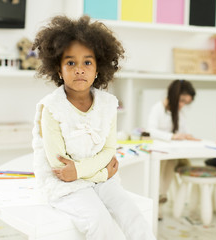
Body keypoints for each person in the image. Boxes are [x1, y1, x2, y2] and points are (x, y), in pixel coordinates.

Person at [31, 15, 155, 240]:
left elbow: (108, 150)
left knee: (132, 215)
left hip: (101, 178)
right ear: (58, 70)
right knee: (99, 221)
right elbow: (60, 166)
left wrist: (90, 173)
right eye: (70, 63)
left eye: (87, 62)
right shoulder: (51, 108)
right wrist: (99, 172)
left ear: (98, 68)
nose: (80, 69)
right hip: (65, 186)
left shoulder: (108, 104)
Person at [147, 79, 199, 206]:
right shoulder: (158, 108)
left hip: (171, 152)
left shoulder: (179, 113)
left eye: (186, 103)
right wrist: (173, 136)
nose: (182, 105)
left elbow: (184, 130)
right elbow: (151, 130)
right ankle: (158, 195)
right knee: (163, 163)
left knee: (171, 161)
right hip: (157, 151)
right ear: (174, 96)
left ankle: (162, 194)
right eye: (182, 101)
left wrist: (187, 136)